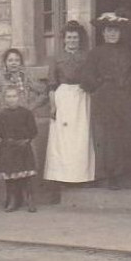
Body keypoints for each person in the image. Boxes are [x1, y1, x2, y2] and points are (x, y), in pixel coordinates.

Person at [85, 13, 131, 189]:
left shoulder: (127, 53)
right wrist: (98, 85)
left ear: (120, 34)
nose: (112, 34)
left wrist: (127, 81)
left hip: (123, 95)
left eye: (115, 31)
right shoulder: (96, 53)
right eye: (108, 31)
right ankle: (108, 174)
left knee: (126, 130)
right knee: (106, 136)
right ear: (103, 33)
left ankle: (125, 171)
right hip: (103, 97)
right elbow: (86, 75)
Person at [43, 21, 95, 187]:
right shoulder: (57, 58)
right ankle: (62, 176)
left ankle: (81, 176)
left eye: (75, 37)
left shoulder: (86, 57)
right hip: (63, 96)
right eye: (69, 37)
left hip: (81, 96)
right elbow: (51, 84)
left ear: (79, 40)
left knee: (81, 136)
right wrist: (53, 105)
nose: (72, 40)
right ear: (64, 39)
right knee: (63, 138)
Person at [0, 84, 40, 212]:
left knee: (26, 176)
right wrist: (10, 142)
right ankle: (13, 200)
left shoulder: (26, 113)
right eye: (8, 96)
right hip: (8, 148)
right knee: (10, 175)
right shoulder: (2, 115)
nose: (11, 99)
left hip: (23, 147)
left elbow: (33, 131)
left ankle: (29, 199)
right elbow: (1, 132)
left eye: (14, 96)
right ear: (4, 99)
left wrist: (25, 140)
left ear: (19, 98)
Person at [0, 47, 48, 115]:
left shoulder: (27, 78)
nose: (13, 63)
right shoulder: (0, 79)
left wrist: (31, 107)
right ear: (5, 62)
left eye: (17, 60)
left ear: (21, 63)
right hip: (7, 117)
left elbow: (44, 93)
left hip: (25, 116)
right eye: (10, 60)